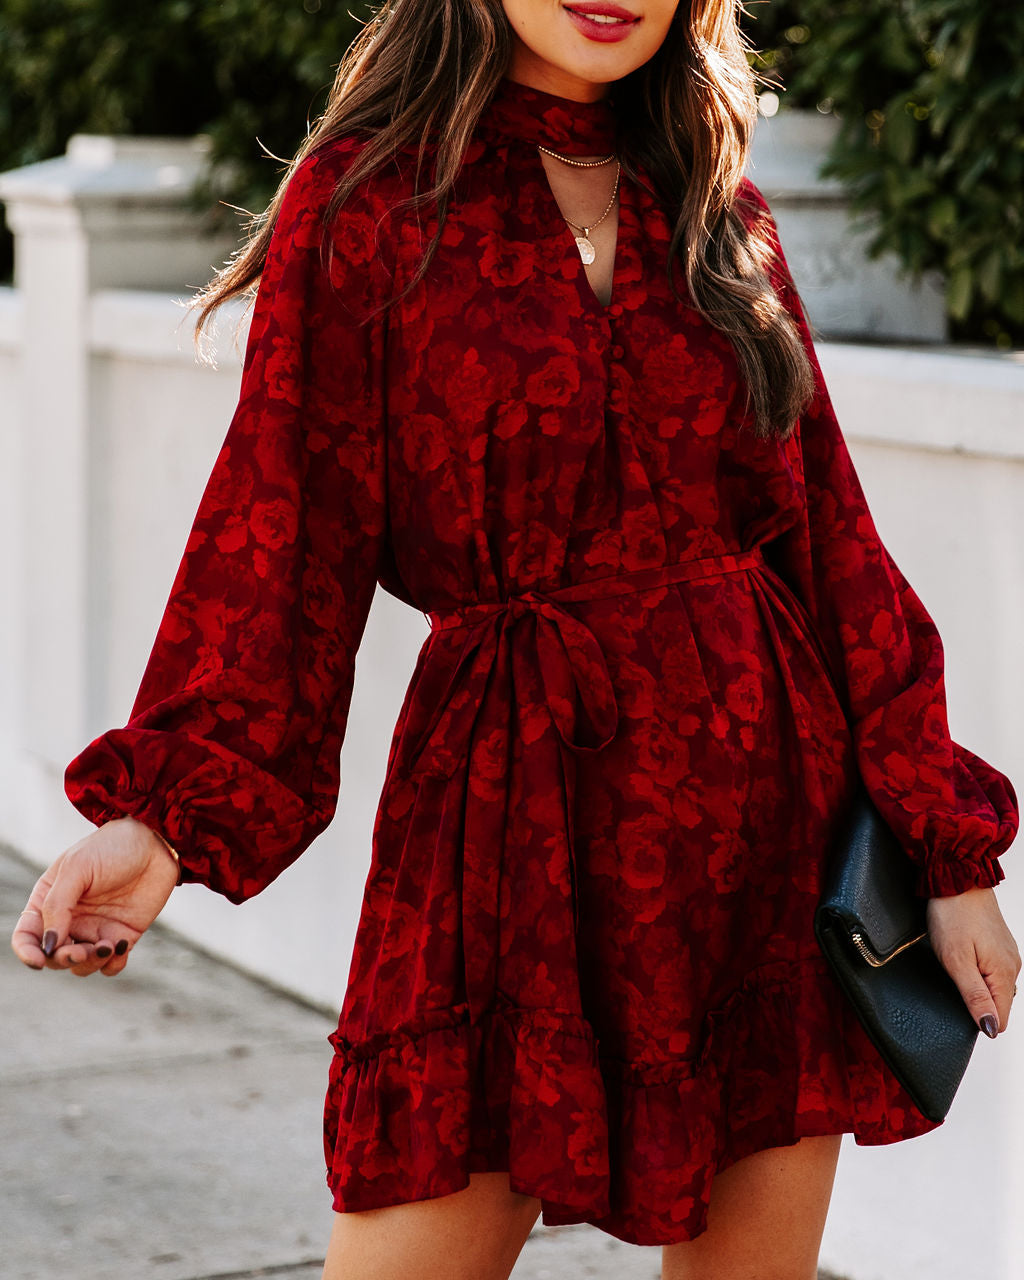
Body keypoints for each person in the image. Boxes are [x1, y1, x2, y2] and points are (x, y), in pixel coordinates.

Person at [10, 2, 1022, 1277]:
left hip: (759, 830)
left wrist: (946, 851)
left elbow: (831, 549)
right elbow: (281, 533)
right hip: (503, 829)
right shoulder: (368, 205)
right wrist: (164, 825)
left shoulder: (715, 205)